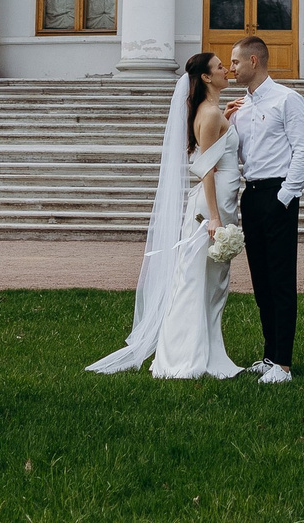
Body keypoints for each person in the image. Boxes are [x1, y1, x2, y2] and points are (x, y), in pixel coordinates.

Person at [87, 51, 245, 380]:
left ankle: (206, 349)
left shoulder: (212, 111)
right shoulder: (210, 113)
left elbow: (212, 147)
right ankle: (185, 356)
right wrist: (215, 218)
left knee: (208, 281)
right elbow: (206, 170)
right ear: (205, 77)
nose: (226, 71)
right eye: (219, 68)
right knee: (197, 281)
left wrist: (227, 120)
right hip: (212, 206)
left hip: (221, 201)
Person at [224, 34, 304, 384]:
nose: (231, 69)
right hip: (252, 194)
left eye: (235, 62)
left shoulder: (288, 99)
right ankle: (269, 355)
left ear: (254, 61)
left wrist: (285, 197)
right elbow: (239, 154)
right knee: (260, 279)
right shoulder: (240, 107)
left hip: (278, 194)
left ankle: (284, 365)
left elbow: (303, 151)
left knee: (280, 278)